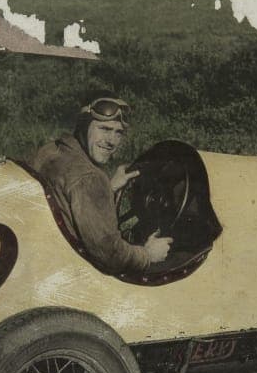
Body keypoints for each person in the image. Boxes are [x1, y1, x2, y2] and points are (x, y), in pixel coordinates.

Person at [30, 94, 172, 275]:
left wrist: (109, 189)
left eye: (118, 132)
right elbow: (111, 255)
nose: (111, 141)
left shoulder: (52, 150)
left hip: (44, 258)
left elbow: (71, 200)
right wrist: (147, 255)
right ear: (84, 125)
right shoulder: (90, 178)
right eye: (104, 129)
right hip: (73, 273)